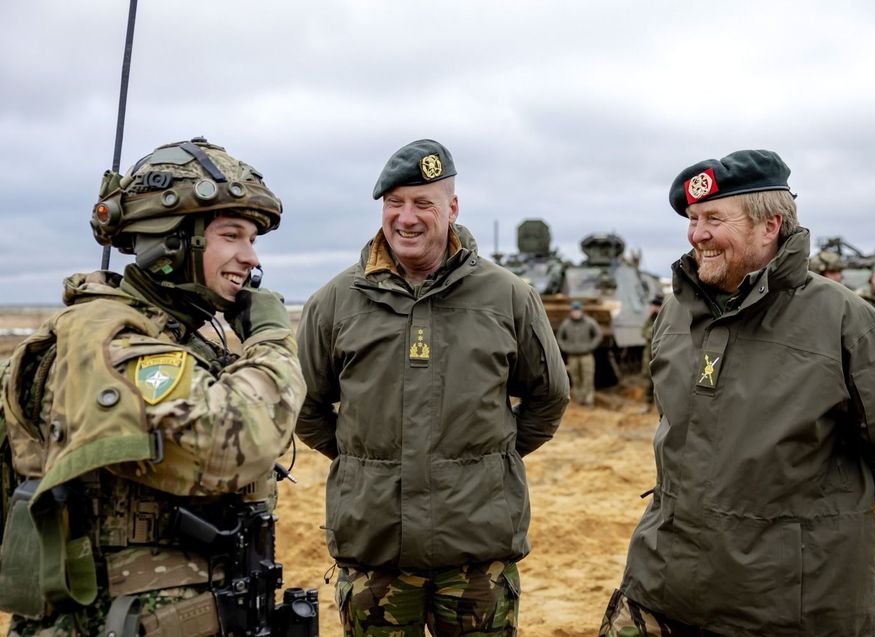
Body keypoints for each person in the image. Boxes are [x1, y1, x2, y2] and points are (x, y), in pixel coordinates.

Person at [600, 149, 875, 636]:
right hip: (662, 584)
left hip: (786, 605)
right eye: (693, 219)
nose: (697, 234)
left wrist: (795, 518)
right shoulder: (675, 314)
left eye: (714, 218)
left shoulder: (844, 322)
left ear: (770, 225)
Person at [0, 138, 308, 635]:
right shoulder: (112, 343)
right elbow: (237, 440)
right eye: (232, 235)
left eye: (253, 240)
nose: (251, 258)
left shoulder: (173, 337)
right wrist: (272, 336)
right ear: (172, 239)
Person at [295, 139, 569, 636]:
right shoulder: (334, 301)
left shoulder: (508, 296)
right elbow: (304, 403)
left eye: (423, 203)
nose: (407, 218)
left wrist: (495, 455)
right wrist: (362, 461)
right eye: (394, 203)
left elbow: (549, 395)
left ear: (452, 208)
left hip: (476, 553)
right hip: (375, 551)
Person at [555, 300, 603, 407]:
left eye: (578, 311)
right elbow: (559, 338)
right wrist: (566, 347)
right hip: (572, 356)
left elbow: (598, 335)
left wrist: (590, 346)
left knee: (588, 377)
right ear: (571, 312)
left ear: (581, 311)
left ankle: (589, 400)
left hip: (587, 355)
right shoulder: (566, 324)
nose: (576, 313)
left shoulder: (589, 322)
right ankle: (579, 400)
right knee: (575, 378)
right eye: (574, 311)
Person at [640, 295, 664, 413]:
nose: (654, 308)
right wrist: (650, 333)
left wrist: (651, 333)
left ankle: (661, 406)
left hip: (661, 353)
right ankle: (647, 403)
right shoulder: (650, 318)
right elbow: (643, 332)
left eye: (657, 305)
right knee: (648, 380)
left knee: (662, 380)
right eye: (653, 305)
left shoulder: (665, 317)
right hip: (649, 353)